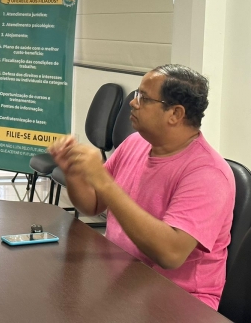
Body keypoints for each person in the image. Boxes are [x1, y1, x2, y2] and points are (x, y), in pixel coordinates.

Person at [48, 64, 234, 310]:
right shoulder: (136, 143)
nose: (133, 103)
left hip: (179, 302)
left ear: (175, 114)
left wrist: (103, 182)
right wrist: (74, 173)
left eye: (144, 98)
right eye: (137, 95)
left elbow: (170, 254)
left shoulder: (208, 174)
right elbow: (92, 204)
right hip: (124, 281)